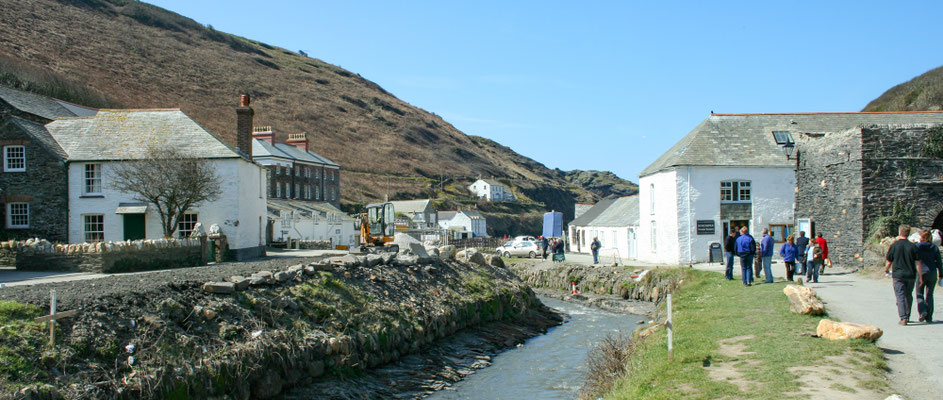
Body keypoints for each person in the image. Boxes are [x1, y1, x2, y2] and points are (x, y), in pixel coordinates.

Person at [886, 224, 923, 325]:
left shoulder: (894, 246)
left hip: (898, 275)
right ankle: (907, 315)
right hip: (910, 274)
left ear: (900, 232)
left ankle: (903, 318)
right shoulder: (913, 246)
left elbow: (889, 260)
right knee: (908, 295)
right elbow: (918, 263)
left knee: (900, 295)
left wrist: (886, 269)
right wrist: (920, 276)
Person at [915, 229, 941, 323]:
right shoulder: (934, 247)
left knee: (919, 294)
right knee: (930, 294)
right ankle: (929, 317)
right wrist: (941, 275)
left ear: (921, 237)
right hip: (932, 272)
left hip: (921, 272)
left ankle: (922, 311)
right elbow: (939, 262)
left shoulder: (917, 247)